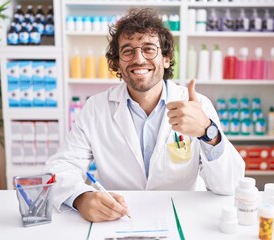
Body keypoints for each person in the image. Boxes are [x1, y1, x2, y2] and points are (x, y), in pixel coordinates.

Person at [44, 8, 245, 222]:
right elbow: (61, 167)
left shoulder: (197, 105)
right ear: (118, 63)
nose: (138, 59)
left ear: (166, 59)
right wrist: (81, 197)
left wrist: (207, 131)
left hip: (182, 219)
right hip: (117, 219)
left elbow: (230, 185)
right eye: (128, 51)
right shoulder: (96, 108)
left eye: (149, 49)